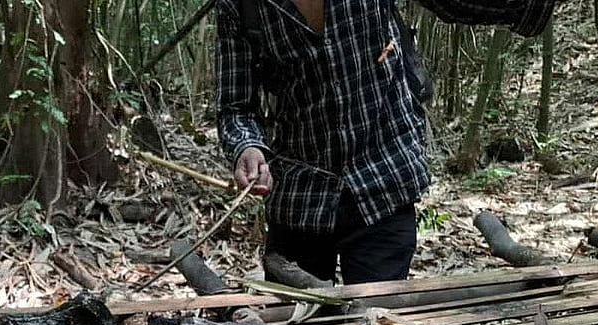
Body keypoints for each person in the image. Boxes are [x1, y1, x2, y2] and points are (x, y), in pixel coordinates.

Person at [215, 0, 558, 286]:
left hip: (383, 176)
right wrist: (248, 147)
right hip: (300, 194)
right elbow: (235, 107)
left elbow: (459, 3)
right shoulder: (239, 5)